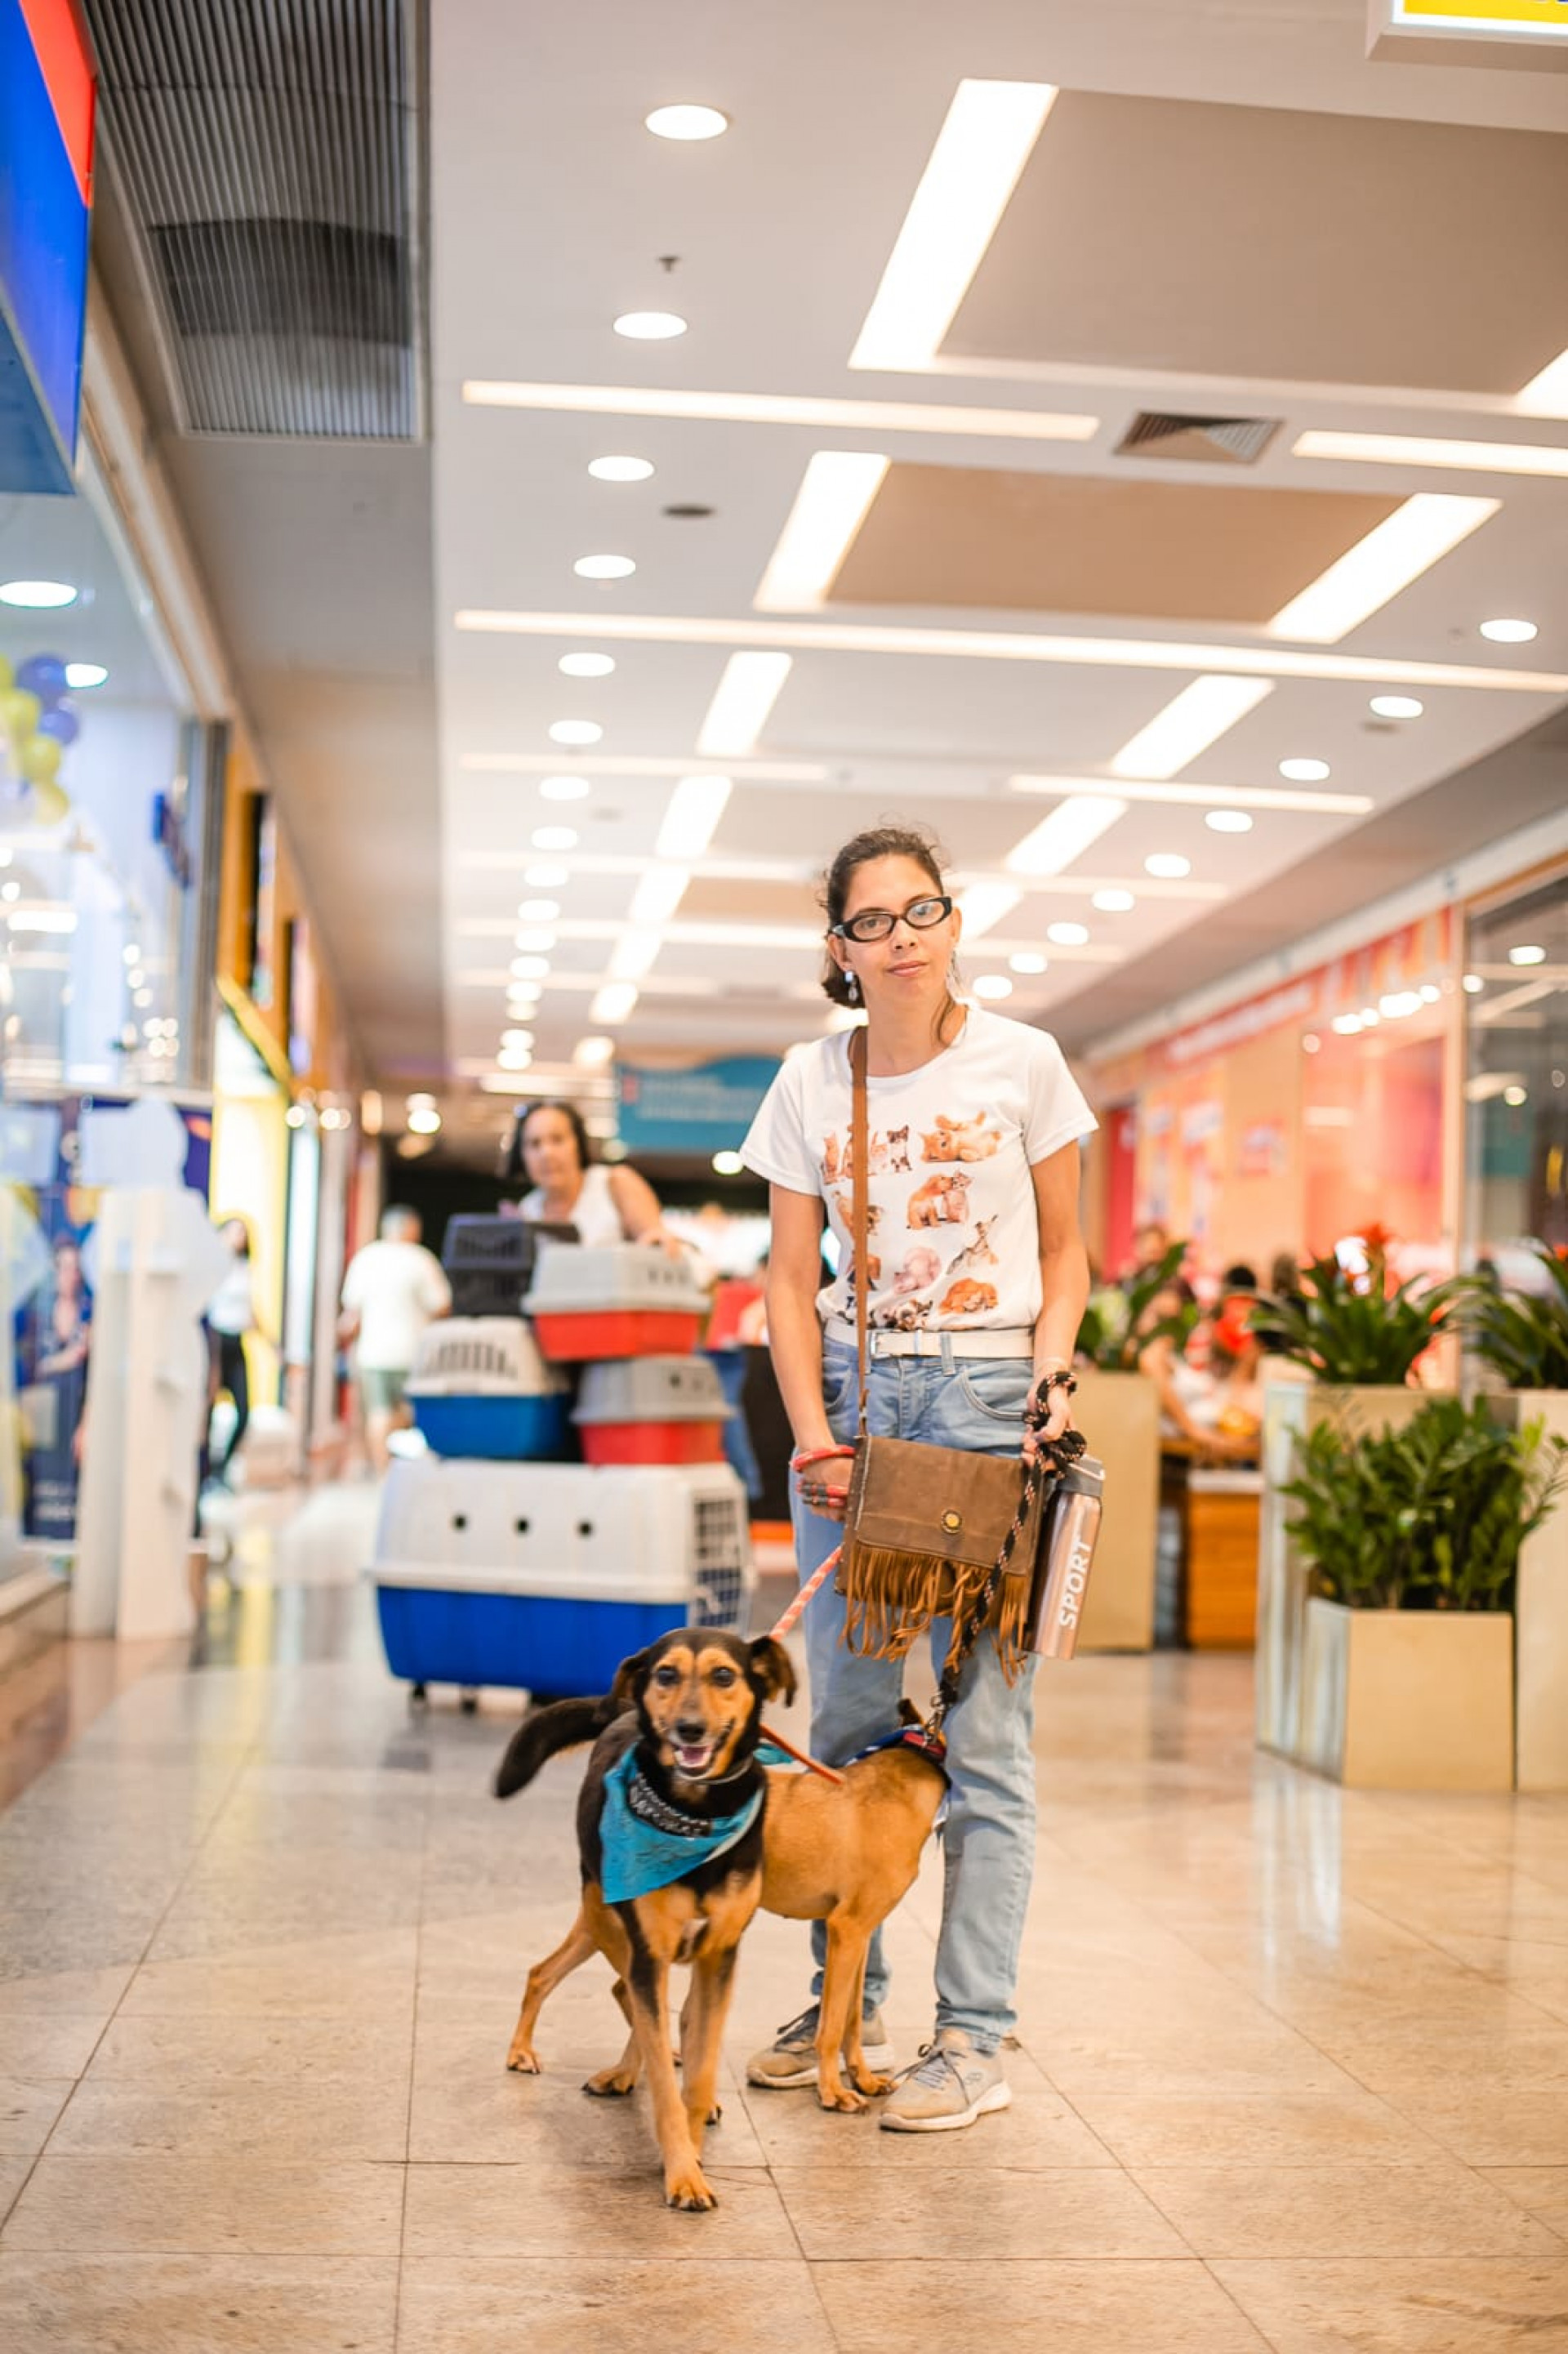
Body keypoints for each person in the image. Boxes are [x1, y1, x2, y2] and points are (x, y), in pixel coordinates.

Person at [739, 821, 1094, 2133]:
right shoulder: (806, 1080)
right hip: (857, 1398)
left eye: (921, 910)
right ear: (837, 947)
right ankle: (846, 2004)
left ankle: (972, 2036)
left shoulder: (1026, 1063)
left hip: (994, 1400)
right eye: (871, 920)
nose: (901, 937)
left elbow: (1069, 1256)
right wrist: (811, 1428)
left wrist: (1049, 1384)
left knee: (984, 1739)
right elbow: (785, 1280)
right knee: (840, 1723)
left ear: (955, 921)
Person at [338, 1206, 451, 1471]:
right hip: (414, 1351)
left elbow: (352, 1311)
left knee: (378, 1414)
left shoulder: (366, 1258)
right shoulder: (421, 1259)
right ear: (413, 1229)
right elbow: (442, 1306)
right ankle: (408, 1470)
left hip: (374, 1353)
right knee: (411, 1413)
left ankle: (383, 1473)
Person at [501, 1099, 678, 1250]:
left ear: (578, 1144)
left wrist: (657, 1240)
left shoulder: (616, 1182)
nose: (547, 1153)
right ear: (522, 1155)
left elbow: (656, 1241)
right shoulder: (528, 1209)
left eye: (557, 1139)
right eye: (534, 1144)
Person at [205, 1216, 262, 1487]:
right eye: (233, 1231)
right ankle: (203, 1471)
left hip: (236, 1342)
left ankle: (220, 1467)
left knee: (244, 1411)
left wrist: (274, 1346)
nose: (238, 1237)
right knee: (207, 1408)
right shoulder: (212, 1268)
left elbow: (252, 1313)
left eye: (242, 1232)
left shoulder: (244, 1268)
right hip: (215, 1341)